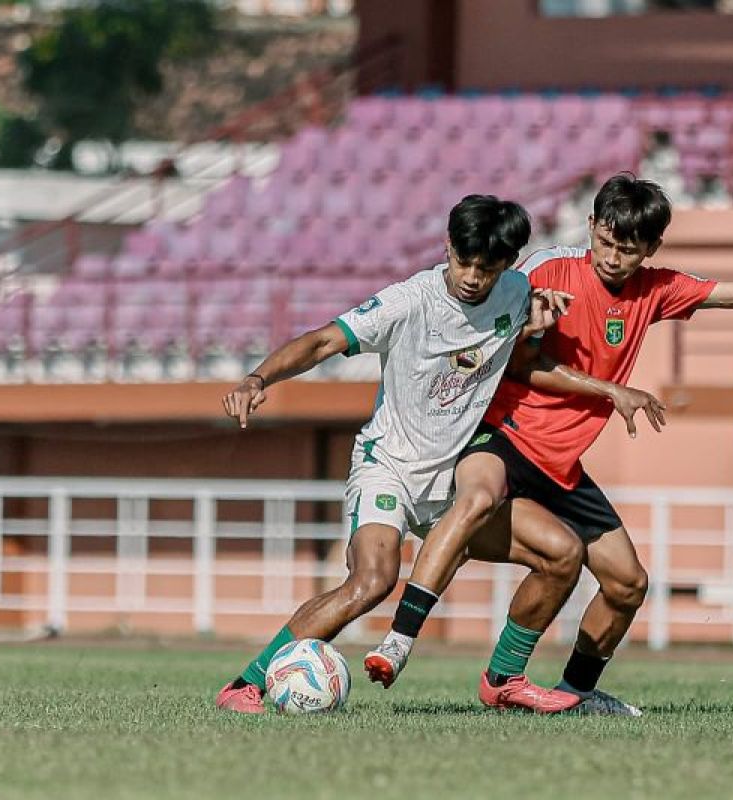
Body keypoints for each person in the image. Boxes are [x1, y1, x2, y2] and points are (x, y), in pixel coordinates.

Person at [365, 173, 733, 715]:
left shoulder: (656, 289)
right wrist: (546, 343)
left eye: (627, 250)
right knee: (478, 499)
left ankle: (577, 691)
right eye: (604, 242)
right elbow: (492, 331)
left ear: (651, 249)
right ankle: (403, 640)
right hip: (504, 435)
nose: (612, 258)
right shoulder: (547, 271)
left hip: (562, 464)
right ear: (591, 227)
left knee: (628, 583)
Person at [215, 194, 653, 714]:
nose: (471, 276)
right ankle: (244, 684)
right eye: (462, 261)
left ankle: (503, 680)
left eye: (486, 267)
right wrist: (258, 377)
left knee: (562, 554)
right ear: (447, 246)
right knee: (371, 582)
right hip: (391, 469)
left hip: (453, 479)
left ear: (508, 264)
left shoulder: (516, 292)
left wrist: (542, 322)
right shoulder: (409, 301)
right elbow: (323, 341)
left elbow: (543, 332)